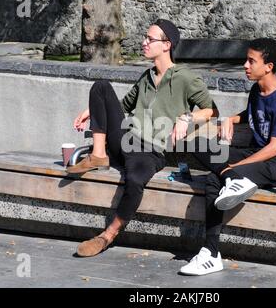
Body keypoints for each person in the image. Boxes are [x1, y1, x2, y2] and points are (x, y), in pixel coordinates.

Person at [68, 19, 218, 257]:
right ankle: (98, 155)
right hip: (126, 139)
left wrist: (186, 118)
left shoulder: (185, 78)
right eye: (145, 38)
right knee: (100, 86)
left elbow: (211, 110)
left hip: (151, 151)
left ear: (167, 45)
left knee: (136, 180)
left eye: (150, 39)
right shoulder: (146, 77)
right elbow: (123, 105)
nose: (144, 42)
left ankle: (107, 236)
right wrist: (92, 110)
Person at [179, 38, 276, 275]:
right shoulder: (257, 90)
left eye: (251, 61)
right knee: (196, 144)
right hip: (255, 154)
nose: (245, 65)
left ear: (268, 66)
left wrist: (236, 165)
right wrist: (231, 119)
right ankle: (233, 178)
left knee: (214, 180)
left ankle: (211, 253)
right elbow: (251, 114)